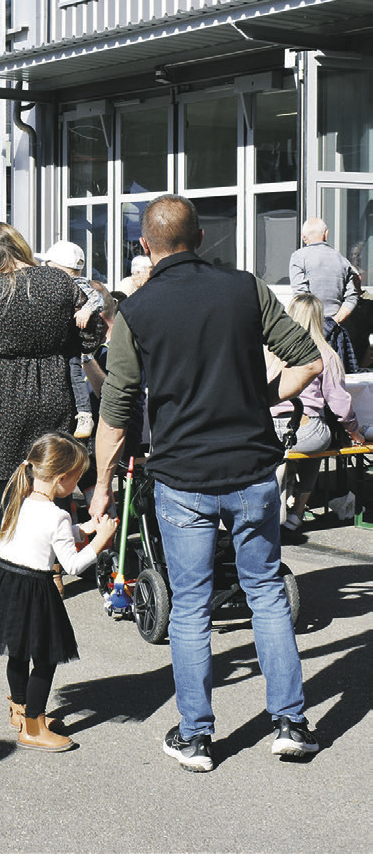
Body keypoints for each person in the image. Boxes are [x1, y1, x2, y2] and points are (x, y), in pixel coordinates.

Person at [90, 194, 324, 771]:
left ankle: (196, 736)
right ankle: (290, 724)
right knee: (266, 592)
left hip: (181, 475)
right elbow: (308, 360)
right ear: (200, 239)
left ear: (146, 246)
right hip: (250, 468)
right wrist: (257, 398)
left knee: (190, 605)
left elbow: (116, 414)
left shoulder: (135, 313)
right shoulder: (245, 288)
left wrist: (100, 485)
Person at [0, 433, 117, 752]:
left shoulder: (15, 499)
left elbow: (37, 535)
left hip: (5, 582)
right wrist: (99, 541)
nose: (73, 485)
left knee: (17, 652)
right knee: (45, 658)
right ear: (62, 478)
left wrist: (81, 530)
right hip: (35, 588)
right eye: (75, 479)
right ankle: (33, 726)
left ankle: (19, 710)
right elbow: (73, 565)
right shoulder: (57, 514)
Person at [0, 223, 106, 515]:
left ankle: (9, 553)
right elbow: (93, 332)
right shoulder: (57, 280)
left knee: (7, 485)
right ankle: (55, 555)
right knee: (53, 475)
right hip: (52, 386)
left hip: (2, 391)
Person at [270, 293, 366, 532]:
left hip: (268, 428)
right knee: (322, 441)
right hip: (305, 429)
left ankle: (281, 494)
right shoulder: (325, 353)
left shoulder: (269, 350)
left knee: (287, 451)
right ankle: (297, 512)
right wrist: (356, 433)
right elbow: (341, 407)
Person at [36, 240, 107, 440]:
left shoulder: (77, 285)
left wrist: (86, 310)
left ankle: (84, 414)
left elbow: (97, 299)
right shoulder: (63, 285)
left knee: (75, 375)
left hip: (72, 343)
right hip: (64, 343)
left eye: (47, 266)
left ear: (59, 269)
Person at [289, 216, 361, 371]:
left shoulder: (299, 257)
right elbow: (352, 297)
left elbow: (300, 294)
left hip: (308, 330)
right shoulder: (342, 260)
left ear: (303, 237)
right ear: (326, 234)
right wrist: (334, 320)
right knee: (335, 378)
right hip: (335, 330)